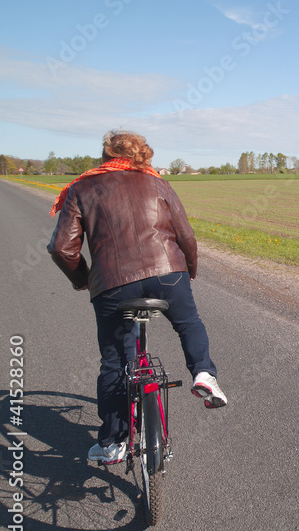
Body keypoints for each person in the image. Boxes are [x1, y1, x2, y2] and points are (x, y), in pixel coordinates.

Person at [47, 129, 227, 465]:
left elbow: (61, 247)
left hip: (114, 285)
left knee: (115, 360)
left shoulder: (82, 187)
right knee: (188, 322)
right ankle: (204, 374)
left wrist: (83, 279)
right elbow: (186, 235)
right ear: (142, 156)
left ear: (106, 156)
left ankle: (114, 442)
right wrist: (188, 271)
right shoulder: (157, 182)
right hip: (168, 275)